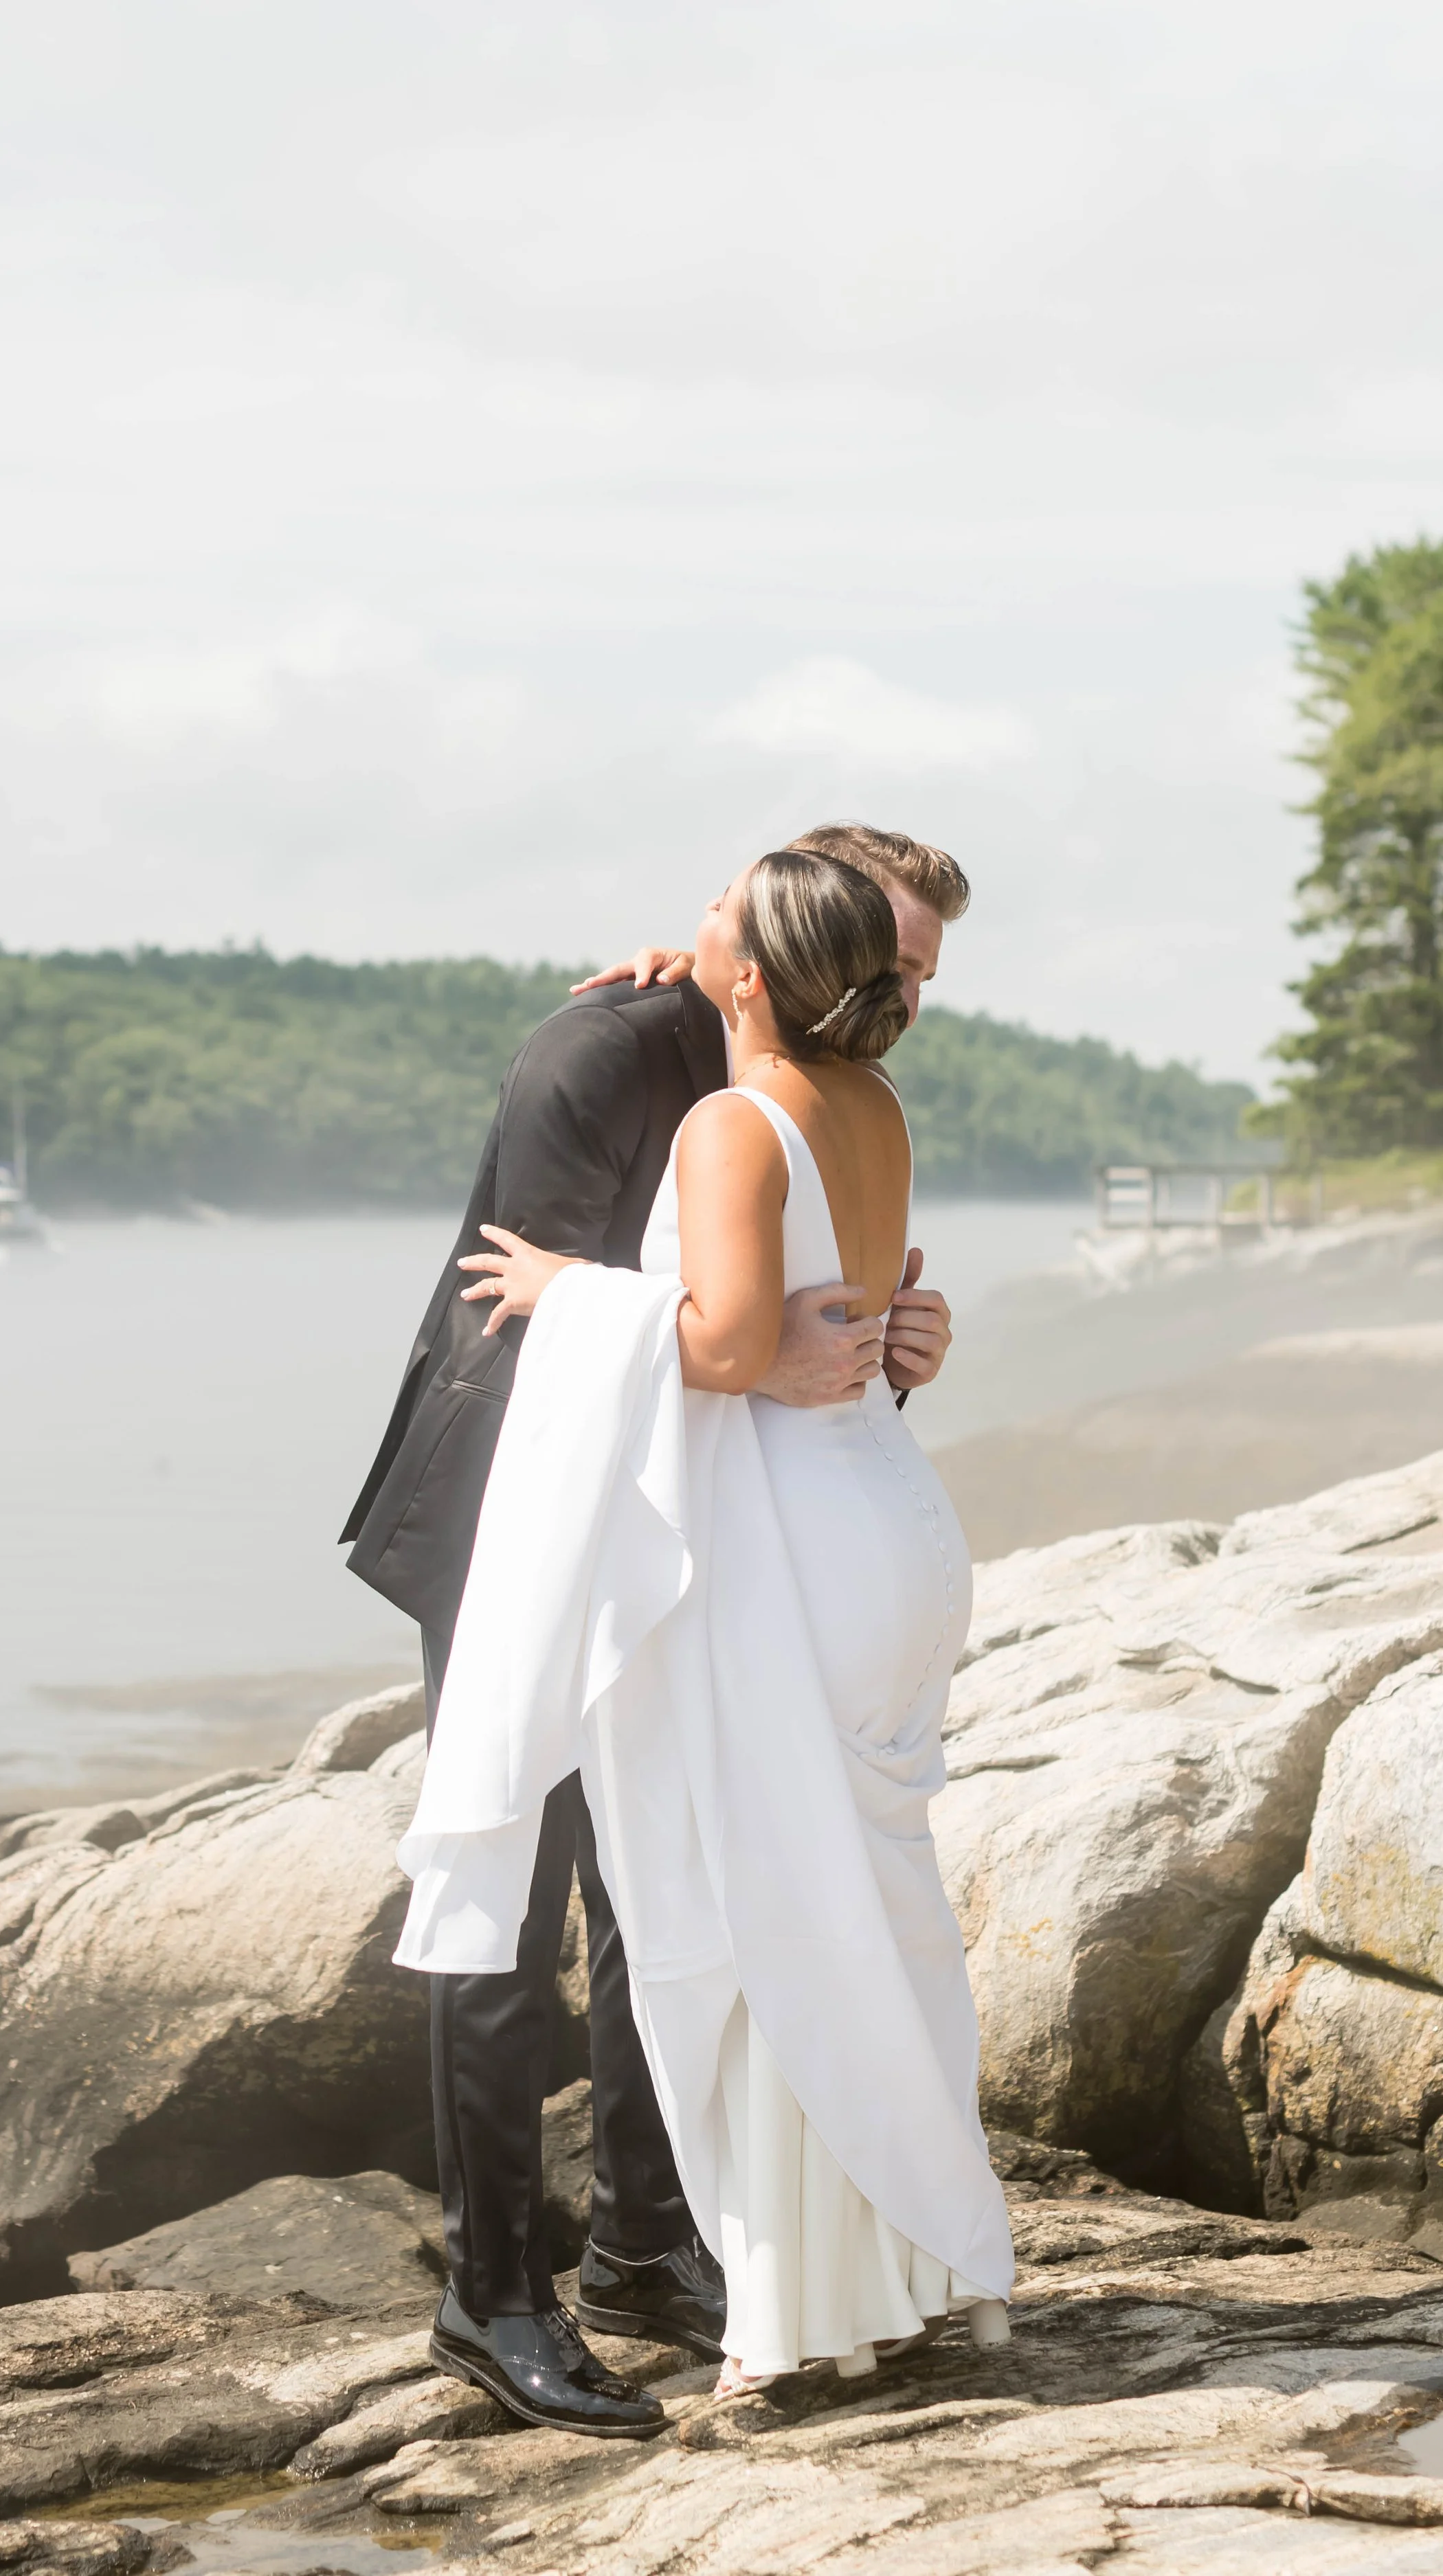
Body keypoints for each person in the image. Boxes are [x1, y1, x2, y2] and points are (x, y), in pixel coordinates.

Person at [341, 824, 966, 2436]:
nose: (901, 1003)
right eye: (889, 967)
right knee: (515, 1886)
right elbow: (534, 1312)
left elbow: (793, 1309)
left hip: (714, 1520)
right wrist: (771, 1349)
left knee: (664, 1884)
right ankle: (492, 2294)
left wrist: (892, 1329)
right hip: (521, 1516)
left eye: (911, 980)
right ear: (777, 936)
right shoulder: (602, 1052)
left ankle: (645, 2242)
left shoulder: (803, 1071)